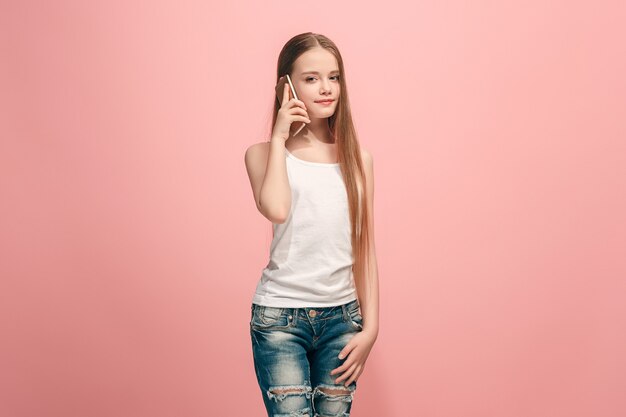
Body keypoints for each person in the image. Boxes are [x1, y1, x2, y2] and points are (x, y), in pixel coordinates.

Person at [244, 32, 379, 417]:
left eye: (333, 77)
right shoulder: (261, 155)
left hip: (342, 318)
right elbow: (276, 208)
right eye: (311, 78)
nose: (326, 88)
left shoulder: (359, 160)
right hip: (280, 320)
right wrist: (279, 136)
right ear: (285, 86)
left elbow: (365, 250)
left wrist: (371, 330)